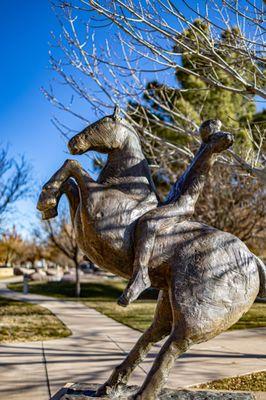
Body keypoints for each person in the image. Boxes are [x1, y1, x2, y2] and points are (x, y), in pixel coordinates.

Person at [118, 119, 233, 307]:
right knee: (143, 218)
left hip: (182, 204)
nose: (201, 130)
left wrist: (220, 137)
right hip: (172, 200)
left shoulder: (210, 147)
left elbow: (227, 139)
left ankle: (141, 276)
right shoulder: (202, 148)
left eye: (205, 128)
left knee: (149, 223)